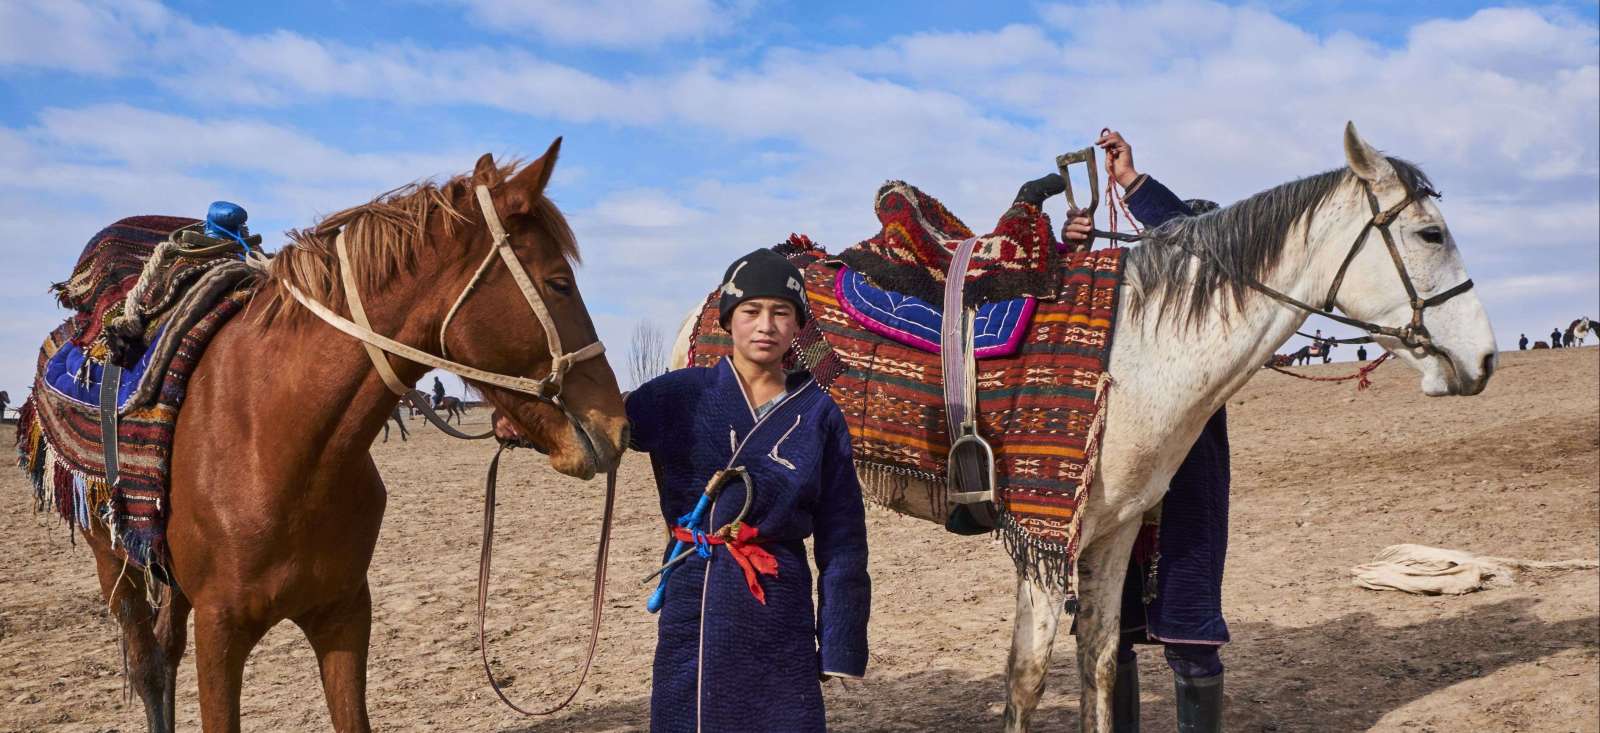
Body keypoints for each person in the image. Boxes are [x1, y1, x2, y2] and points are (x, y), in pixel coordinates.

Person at [497, 249, 870, 732]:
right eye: (751, 311)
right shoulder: (680, 394)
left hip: (779, 596)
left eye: (781, 312)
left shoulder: (819, 414)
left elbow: (843, 538)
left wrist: (841, 640)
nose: (766, 325)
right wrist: (523, 426)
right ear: (729, 320)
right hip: (697, 590)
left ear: (798, 326)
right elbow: (599, 427)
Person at [1063, 129, 1227, 732]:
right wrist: (1072, 247)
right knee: (1113, 629)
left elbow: (1193, 241)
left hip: (1185, 489)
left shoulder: (1220, 328)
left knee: (1191, 633)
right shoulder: (1132, 307)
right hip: (1117, 482)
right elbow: (1069, 302)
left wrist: (1132, 182)